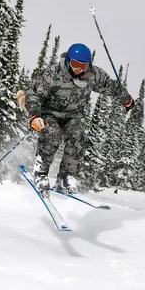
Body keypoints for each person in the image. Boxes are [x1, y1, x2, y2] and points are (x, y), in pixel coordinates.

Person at [23, 43, 135, 193]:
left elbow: (111, 86)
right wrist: (34, 116)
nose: (79, 69)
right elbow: (33, 94)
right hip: (50, 113)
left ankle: (66, 176)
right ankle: (41, 172)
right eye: (75, 64)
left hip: (72, 117)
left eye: (83, 66)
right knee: (52, 133)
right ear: (69, 60)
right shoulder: (53, 72)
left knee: (78, 135)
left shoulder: (92, 75)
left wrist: (126, 99)